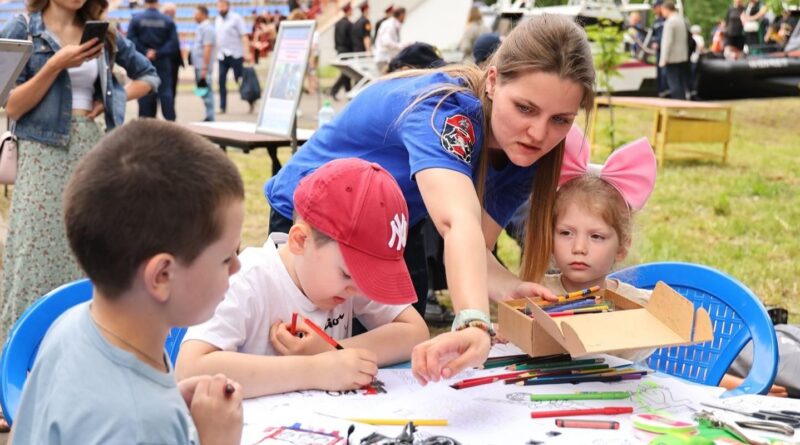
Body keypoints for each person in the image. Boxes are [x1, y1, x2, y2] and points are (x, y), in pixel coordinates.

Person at [263, 14, 596, 384]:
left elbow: (475, 248)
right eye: (525, 108)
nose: (539, 133)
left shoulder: (525, 155)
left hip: (394, 229)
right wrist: (473, 319)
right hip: (318, 223)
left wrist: (507, 287)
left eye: (561, 120)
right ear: (493, 80)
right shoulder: (447, 113)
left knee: (382, 363)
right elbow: (457, 221)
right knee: (308, 362)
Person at [9, 120, 245, 443]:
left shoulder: (71, 326)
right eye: (226, 257)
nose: (237, 266)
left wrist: (167, 399)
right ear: (162, 276)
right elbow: (129, 421)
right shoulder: (140, 425)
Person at [176, 159, 429, 398]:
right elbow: (190, 368)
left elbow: (415, 333)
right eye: (348, 274)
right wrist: (314, 369)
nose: (359, 289)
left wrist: (331, 349)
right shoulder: (249, 279)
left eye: (369, 278)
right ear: (300, 241)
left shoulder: (344, 280)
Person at [0, 0, 157, 358]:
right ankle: (19, 363)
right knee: (34, 258)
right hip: (42, 154)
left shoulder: (103, 32)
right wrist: (56, 64)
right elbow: (10, 106)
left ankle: (80, 359)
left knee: (86, 257)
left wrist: (112, 97)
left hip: (90, 150)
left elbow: (149, 75)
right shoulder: (23, 29)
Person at [545, 129, 657, 362]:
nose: (579, 248)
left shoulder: (637, 307)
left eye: (596, 237)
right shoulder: (535, 294)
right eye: (566, 233)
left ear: (622, 246)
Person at [127, 0, 179, 120]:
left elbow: (130, 40)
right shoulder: (167, 20)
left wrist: (145, 52)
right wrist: (157, 53)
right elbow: (173, 43)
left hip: (143, 62)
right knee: (165, 91)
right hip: (162, 62)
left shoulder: (136, 19)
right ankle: (171, 122)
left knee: (145, 91)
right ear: (157, 3)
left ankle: (146, 122)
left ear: (145, 3)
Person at [215, 0, 252, 114]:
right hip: (222, 55)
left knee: (240, 80)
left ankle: (250, 100)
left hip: (236, 54)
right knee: (221, 81)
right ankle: (222, 106)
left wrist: (247, 52)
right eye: (218, 6)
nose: (220, 8)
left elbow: (244, 36)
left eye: (222, 6)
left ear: (228, 6)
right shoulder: (218, 20)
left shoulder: (236, 18)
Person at [659, 1, 690, 100]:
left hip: (672, 57)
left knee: (673, 82)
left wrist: (664, 58)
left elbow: (667, 42)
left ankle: (677, 103)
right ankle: (682, 101)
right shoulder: (681, 20)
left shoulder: (670, 22)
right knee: (681, 81)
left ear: (666, 9)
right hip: (682, 56)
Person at [192, 5, 216, 121]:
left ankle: (210, 117)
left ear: (203, 14)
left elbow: (207, 48)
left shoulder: (208, 29)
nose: (194, 16)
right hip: (199, 66)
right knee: (203, 91)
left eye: (196, 14)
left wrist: (205, 67)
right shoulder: (201, 28)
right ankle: (208, 115)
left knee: (207, 91)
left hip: (203, 67)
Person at [161, 2, 184, 98]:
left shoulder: (171, 24)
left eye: (173, 12)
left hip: (174, 62)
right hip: (164, 60)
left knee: (172, 87)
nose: (172, 14)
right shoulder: (163, 25)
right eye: (170, 12)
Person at [330, 3, 353, 101]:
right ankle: (334, 90)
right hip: (347, 51)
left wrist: (337, 48)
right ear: (348, 11)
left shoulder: (338, 23)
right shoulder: (348, 24)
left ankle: (348, 93)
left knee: (346, 73)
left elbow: (335, 38)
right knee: (346, 72)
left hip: (340, 50)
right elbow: (349, 40)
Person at [374, 6, 405, 73]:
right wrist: (399, 46)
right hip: (384, 59)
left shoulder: (393, 24)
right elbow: (386, 42)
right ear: (401, 15)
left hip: (387, 59)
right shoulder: (390, 25)